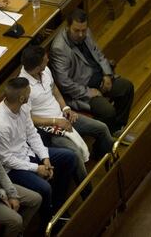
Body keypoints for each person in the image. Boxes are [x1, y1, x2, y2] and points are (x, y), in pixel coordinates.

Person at [19, 45, 113, 194]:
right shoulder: (23, 87)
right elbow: (28, 119)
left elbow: (55, 89)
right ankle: (88, 194)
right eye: (45, 60)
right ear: (37, 67)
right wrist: (56, 122)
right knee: (74, 154)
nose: (48, 60)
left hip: (63, 116)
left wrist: (65, 109)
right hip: (50, 130)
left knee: (101, 128)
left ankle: (110, 165)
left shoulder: (45, 70)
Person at [0, 77, 76, 218]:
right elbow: (6, 160)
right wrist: (37, 168)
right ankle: (48, 221)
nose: (30, 95)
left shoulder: (23, 107)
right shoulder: (0, 124)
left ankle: (58, 206)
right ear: (22, 98)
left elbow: (32, 134)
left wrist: (45, 158)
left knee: (69, 157)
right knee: (45, 188)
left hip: (27, 152)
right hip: (13, 168)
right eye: (28, 93)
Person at [49, 8, 134, 134]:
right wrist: (88, 92)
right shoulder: (59, 48)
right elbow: (64, 83)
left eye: (83, 30)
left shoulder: (86, 32)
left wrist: (107, 74)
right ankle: (104, 142)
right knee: (107, 111)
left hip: (99, 77)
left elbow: (98, 54)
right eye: (76, 31)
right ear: (68, 27)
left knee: (126, 88)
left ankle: (117, 129)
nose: (81, 34)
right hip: (82, 90)